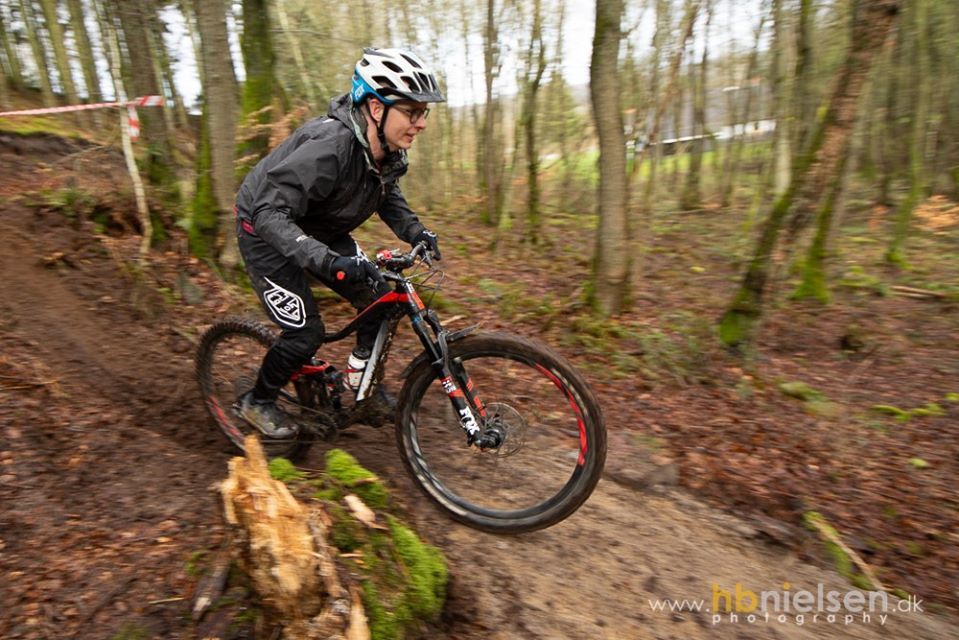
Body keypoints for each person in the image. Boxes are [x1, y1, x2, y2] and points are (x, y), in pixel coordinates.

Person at [233, 47, 445, 438]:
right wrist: (327, 261)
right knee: (305, 333)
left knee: (380, 300)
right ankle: (256, 401)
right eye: (412, 112)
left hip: (318, 228)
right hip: (265, 230)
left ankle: (362, 384)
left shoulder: (386, 153)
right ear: (377, 109)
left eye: (424, 113)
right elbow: (268, 213)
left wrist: (416, 232)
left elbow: (386, 196)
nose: (421, 124)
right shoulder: (329, 147)